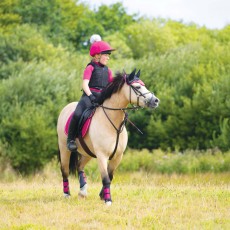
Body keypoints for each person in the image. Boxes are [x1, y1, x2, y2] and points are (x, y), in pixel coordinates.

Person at [67, 35, 116, 152]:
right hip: (89, 96)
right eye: (106, 55)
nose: (108, 57)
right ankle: (70, 140)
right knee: (78, 114)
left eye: (108, 55)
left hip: (102, 97)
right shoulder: (90, 67)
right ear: (97, 55)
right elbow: (84, 84)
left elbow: (111, 86)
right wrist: (90, 96)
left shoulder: (108, 70)